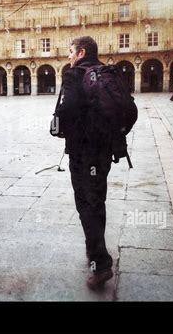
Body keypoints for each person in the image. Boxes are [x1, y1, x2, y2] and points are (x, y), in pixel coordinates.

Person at [55, 36, 114, 290]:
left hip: (82, 153)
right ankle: (94, 252)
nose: (69, 56)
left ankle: (101, 264)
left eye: (70, 52)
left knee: (85, 204)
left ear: (80, 52)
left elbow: (66, 112)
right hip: (104, 151)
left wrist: (64, 128)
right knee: (97, 200)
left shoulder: (74, 75)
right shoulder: (107, 72)